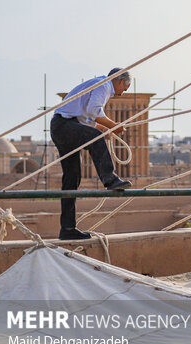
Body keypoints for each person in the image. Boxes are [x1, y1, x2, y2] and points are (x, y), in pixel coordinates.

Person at [50, 68, 132, 240]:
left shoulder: (97, 86)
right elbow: (95, 111)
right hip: (64, 126)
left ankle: (67, 228)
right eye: (125, 87)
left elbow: (85, 118)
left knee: (72, 178)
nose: (124, 92)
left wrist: (102, 128)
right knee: (94, 139)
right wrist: (112, 125)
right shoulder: (103, 86)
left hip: (61, 127)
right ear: (119, 80)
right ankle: (110, 179)